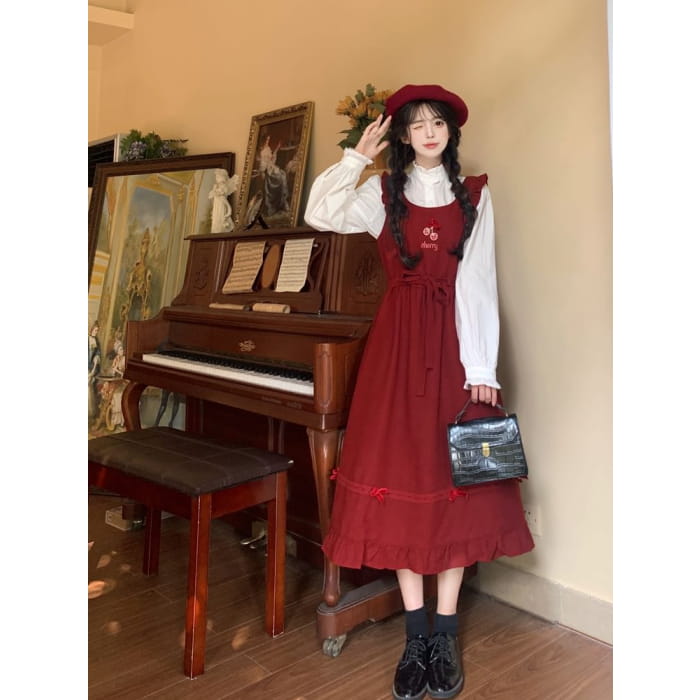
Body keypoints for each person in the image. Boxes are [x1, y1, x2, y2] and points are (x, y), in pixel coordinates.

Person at [304, 84, 534, 700]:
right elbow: (320, 213)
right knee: (400, 475)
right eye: (417, 124)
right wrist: (357, 157)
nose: (429, 132)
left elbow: (478, 281)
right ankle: (415, 635)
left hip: (455, 348)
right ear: (403, 136)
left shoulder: (476, 195)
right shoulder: (381, 194)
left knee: (453, 480)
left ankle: (445, 632)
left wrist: (481, 365)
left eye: (438, 123)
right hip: (395, 353)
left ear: (450, 133)